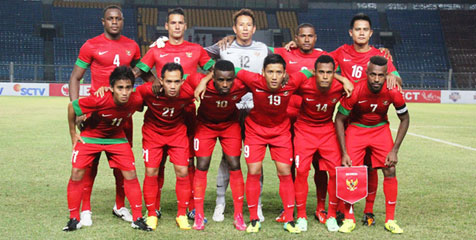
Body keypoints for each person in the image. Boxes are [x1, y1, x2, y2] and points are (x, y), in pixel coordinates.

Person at [199, 54, 311, 233]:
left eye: (278, 72)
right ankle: (253, 218)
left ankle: (289, 219)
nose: (274, 76)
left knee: (284, 171)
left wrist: (342, 80)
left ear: (285, 74)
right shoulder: (254, 79)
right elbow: (230, 69)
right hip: (255, 131)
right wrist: (205, 80)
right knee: (253, 170)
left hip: (280, 132)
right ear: (263, 72)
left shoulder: (292, 81)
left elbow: (311, 72)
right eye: (270, 72)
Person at [133, 8, 215, 220]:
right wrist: (154, 84)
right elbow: (139, 70)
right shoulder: (156, 50)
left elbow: (215, 69)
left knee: (188, 163)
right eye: (173, 23)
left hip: (187, 112)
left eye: (180, 23)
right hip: (161, 111)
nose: (177, 26)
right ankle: (155, 207)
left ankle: (189, 207)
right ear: (166, 26)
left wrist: (203, 81)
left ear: (185, 26)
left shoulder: (196, 49)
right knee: (156, 163)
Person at [271, 22, 353, 224]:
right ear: (296, 38)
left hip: (322, 127)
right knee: (294, 169)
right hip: (292, 122)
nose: (306, 39)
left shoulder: (325, 57)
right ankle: (293, 210)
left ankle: (323, 209)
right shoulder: (285, 52)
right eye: (302, 36)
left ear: (315, 38)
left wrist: (343, 80)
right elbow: (257, 51)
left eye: (310, 36)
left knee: (323, 169)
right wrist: (228, 43)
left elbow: (333, 67)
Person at [68, 5, 142, 226]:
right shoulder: (91, 45)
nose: (114, 22)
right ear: (103, 21)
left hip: (121, 113)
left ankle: (120, 205)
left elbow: (142, 69)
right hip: (95, 112)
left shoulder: (132, 46)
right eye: (110, 19)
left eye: (118, 18)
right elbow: (75, 78)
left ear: (122, 21)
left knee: (123, 165)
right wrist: (78, 110)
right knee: (89, 165)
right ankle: (86, 210)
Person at [330, 13, 402, 226]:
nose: (361, 33)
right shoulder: (341, 52)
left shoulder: (380, 55)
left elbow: (398, 80)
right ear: (351, 32)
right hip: (348, 117)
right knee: (348, 166)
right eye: (357, 29)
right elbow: (319, 65)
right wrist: (341, 77)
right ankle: (344, 211)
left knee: (373, 167)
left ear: (370, 33)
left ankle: (368, 210)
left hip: (373, 118)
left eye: (365, 30)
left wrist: (393, 75)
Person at [63, 66, 150, 232]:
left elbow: (153, 89)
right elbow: (71, 107)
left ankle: (138, 218)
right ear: (111, 88)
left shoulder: (136, 99)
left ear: (133, 88)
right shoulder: (100, 99)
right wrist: (73, 133)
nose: (124, 92)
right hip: (91, 136)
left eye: (128, 88)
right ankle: (74, 218)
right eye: (120, 88)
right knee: (76, 173)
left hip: (116, 138)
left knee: (130, 173)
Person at [204, 8, 269, 222]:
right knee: (227, 158)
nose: (245, 28)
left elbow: (285, 57)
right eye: (240, 25)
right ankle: (220, 202)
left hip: (255, 110)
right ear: (234, 28)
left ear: (254, 28)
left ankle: (256, 204)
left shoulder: (264, 49)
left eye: (248, 25)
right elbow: (196, 54)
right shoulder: (224, 46)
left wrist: (292, 45)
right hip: (230, 109)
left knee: (255, 161)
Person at [334, 56, 409, 234]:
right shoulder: (357, 89)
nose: (376, 79)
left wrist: (394, 150)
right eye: (373, 74)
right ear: (366, 73)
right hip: (357, 129)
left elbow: (405, 119)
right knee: (349, 169)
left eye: (381, 76)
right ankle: (349, 218)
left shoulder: (393, 91)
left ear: (386, 75)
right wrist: (344, 152)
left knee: (390, 169)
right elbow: (339, 119)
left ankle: (390, 219)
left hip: (380, 129)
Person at [189, 60, 249, 231]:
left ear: (234, 78)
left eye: (229, 80)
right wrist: (202, 81)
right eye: (220, 80)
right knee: (202, 164)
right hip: (205, 125)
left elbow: (261, 81)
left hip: (230, 125)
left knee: (235, 164)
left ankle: (238, 215)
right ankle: (199, 215)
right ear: (213, 77)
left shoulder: (240, 85)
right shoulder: (197, 80)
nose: (225, 84)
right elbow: (177, 83)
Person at [136, 63, 196, 231]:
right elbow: (135, 102)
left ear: (182, 81)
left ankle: (182, 214)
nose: (172, 86)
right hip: (152, 134)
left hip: (177, 133)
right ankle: (152, 213)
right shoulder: (147, 90)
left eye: (176, 82)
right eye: (168, 81)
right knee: (151, 171)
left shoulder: (188, 93)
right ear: (161, 80)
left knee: (183, 171)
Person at [292, 55, 347, 232]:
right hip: (304, 131)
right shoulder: (304, 85)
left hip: (327, 131)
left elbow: (356, 89)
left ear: (334, 74)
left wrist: (344, 80)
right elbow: (286, 83)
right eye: (321, 72)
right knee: (301, 172)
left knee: (335, 172)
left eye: (329, 73)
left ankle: (331, 215)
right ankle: (301, 215)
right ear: (314, 72)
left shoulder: (340, 87)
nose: (325, 76)